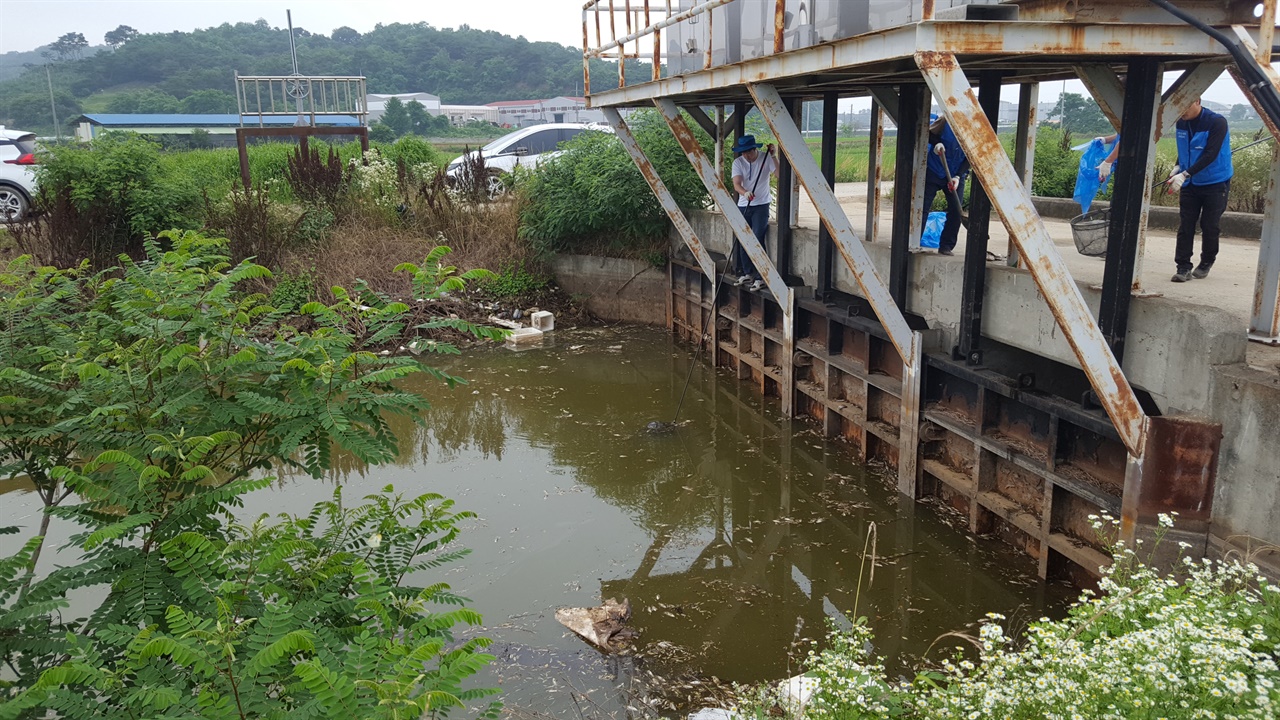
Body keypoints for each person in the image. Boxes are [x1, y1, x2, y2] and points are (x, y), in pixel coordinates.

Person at [1167, 98, 1233, 282]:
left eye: (1185, 106)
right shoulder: (1181, 122)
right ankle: (1183, 267)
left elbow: (1210, 154)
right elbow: (1185, 149)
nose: (1182, 112)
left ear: (1197, 100)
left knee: (1209, 225)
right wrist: (1177, 167)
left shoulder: (1217, 122)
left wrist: (1185, 174)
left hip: (1215, 181)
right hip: (1190, 183)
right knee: (1186, 224)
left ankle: (1206, 262)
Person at [730, 134, 778, 291]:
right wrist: (744, 192)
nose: (746, 155)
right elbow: (737, 184)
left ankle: (761, 276)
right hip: (744, 204)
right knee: (744, 238)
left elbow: (779, 174)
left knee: (758, 237)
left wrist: (774, 156)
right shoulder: (738, 162)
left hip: (761, 205)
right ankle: (747, 272)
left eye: (748, 152)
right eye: (743, 153)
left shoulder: (765, 159)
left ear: (754, 149)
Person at [922, 115, 969, 256]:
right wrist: (937, 143)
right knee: (922, 207)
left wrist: (958, 176)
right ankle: (912, 240)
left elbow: (971, 157)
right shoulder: (945, 120)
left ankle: (946, 246)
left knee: (956, 211)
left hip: (955, 174)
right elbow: (928, 133)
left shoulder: (975, 129)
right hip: (934, 170)